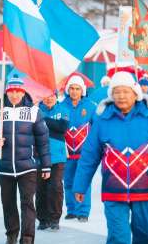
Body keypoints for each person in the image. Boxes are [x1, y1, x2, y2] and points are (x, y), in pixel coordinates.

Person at [73, 72, 148, 244]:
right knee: (119, 238)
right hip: (113, 190)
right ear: (111, 95)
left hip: (146, 190)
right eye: (116, 92)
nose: (121, 96)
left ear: (135, 93)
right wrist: (80, 186)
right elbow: (89, 156)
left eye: (125, 91)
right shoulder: (103, 120)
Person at [0, 76, 51, 244]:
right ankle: (11, 235)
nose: (15, 95)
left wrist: (46, 166)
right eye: (11, 91)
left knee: (27, 203)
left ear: (23, 91)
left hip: (28, 167)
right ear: (6, 91)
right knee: (8, 203)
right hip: (4, 167)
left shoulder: (33, 111)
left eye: (18, 91)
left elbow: (43, 140)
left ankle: (27, 238)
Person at [61, 75, 96, 222]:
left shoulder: (91, 106)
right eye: (72, 88)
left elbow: (97, 128)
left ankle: (83, 211)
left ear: (82, 90)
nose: (74, 91)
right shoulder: (61, 106)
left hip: (84, 154)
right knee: (68, 182)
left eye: (77, 89)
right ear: (68, 90)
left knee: (83, 181)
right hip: (67, 153)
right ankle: (72, 209)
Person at [36, 91, 69, 231]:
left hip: (58, 155)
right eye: (46, 95)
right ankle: (42, 219)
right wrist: (51, 125)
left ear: (56, 97)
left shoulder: (63, 110)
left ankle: (54, 218)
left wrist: (42, 120)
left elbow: (62, 128)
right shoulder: (36, 110)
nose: (49, 98)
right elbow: (34, 130)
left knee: (55, 187)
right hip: (39, 155)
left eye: (52, 96)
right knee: (41, 187)